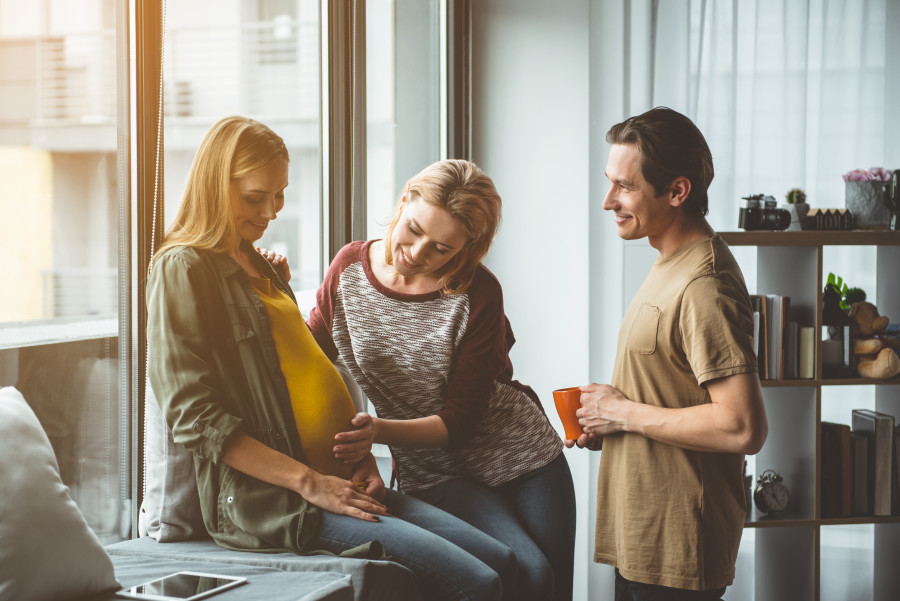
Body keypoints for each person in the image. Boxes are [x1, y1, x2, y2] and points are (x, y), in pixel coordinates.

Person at [146, 115, 520, 601]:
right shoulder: (183, 267)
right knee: (479, 582)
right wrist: (310, 483)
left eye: (279, 194)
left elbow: (305, 367)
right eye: (255, 198)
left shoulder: (256, 261)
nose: (272, 211)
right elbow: (195, 418)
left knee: (506, 563)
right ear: (216, 185)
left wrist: (361, 456)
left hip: (343, 478)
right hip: (287, 500)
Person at [296, 159, 576, 601]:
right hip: (435, 471)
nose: (417, 252)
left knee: (548, 586)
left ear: (466, 249)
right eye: (413, 229)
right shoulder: (348, 270)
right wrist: (268, 290)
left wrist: (377, 432)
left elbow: (461, 420)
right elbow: (308, 355)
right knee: (526, 572)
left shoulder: (478, 292)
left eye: (441, 249)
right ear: (405, 198)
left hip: (525, 458)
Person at [566, 107, 769, 600]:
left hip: (677, 546)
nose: (607, 200)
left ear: (677, 192)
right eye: (610, 182)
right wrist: (609, 419)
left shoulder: (705, 283)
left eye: (625, 187)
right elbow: (673, 388)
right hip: (643, 535)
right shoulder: (669, 261)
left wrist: (624, 412)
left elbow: (743, 426)